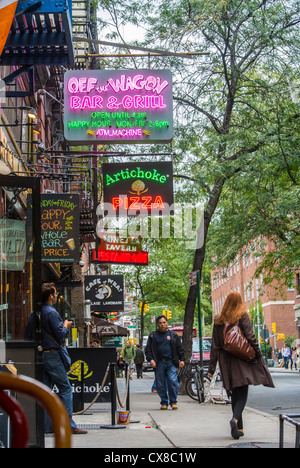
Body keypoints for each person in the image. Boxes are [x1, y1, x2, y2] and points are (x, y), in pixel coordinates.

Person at [208, 291, 274, 440]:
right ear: (240, 302)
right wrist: (257, 353)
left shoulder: (218, 320)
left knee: (234, 393)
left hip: (226, 361)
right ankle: (235, 420)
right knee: (242, 393)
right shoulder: (241, 315)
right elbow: (250, 336)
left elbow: (215, 345)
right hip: (241, 359)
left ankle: (238, 429)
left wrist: (211, 368)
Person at [26, 283, 87, 435]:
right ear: (50, 295)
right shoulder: (51, 313)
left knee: (45, 391)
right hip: (53, 354)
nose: (56, 295)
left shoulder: (34, 313)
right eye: (54, 293)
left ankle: (46, 427)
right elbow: (60, 335)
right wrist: (65, 325)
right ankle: (68, 425)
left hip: (40, 354)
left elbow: (28, 335)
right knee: (65, 388)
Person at [145, 315, 185, 410]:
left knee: (173, 381)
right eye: (160, 323)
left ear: (167, 323)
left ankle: (173, 402)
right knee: (160, 384)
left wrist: (182, 359)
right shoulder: (153, 336)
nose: (162, 324)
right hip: (159, 363)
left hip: (171, 362)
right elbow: (148, 350)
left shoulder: (173, 335)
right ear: (157, 324)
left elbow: (180, 348)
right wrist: (151, 359)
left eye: (164, 322)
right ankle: (164, 402)